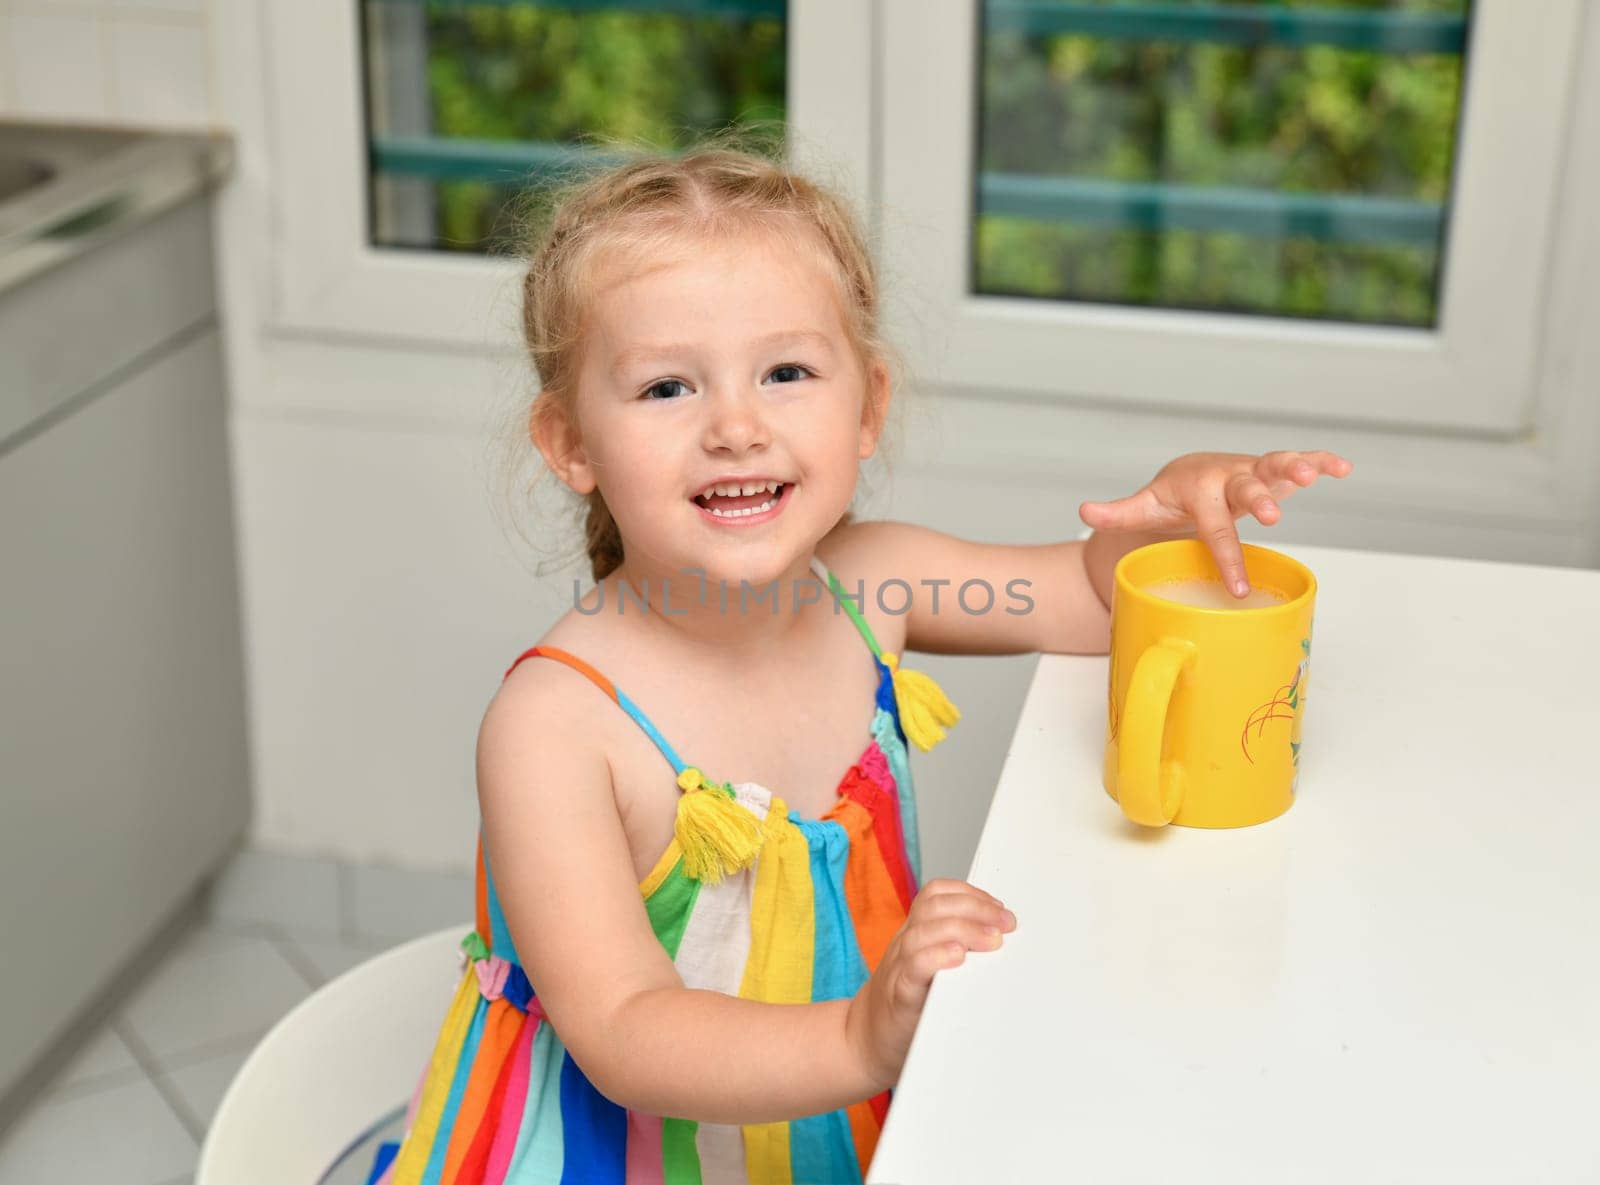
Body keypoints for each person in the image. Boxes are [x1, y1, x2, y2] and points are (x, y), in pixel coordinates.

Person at [375, 138, 1352, 1185]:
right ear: (571, 444)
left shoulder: (873, 585)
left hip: (836, 1118)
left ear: (868, 406)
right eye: (666, 388)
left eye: (787, 372)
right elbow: (624, 1032)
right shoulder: (557, 726)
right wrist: (858, 1041)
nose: (737, 428)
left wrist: (1159, 522)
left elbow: (1092, 600)